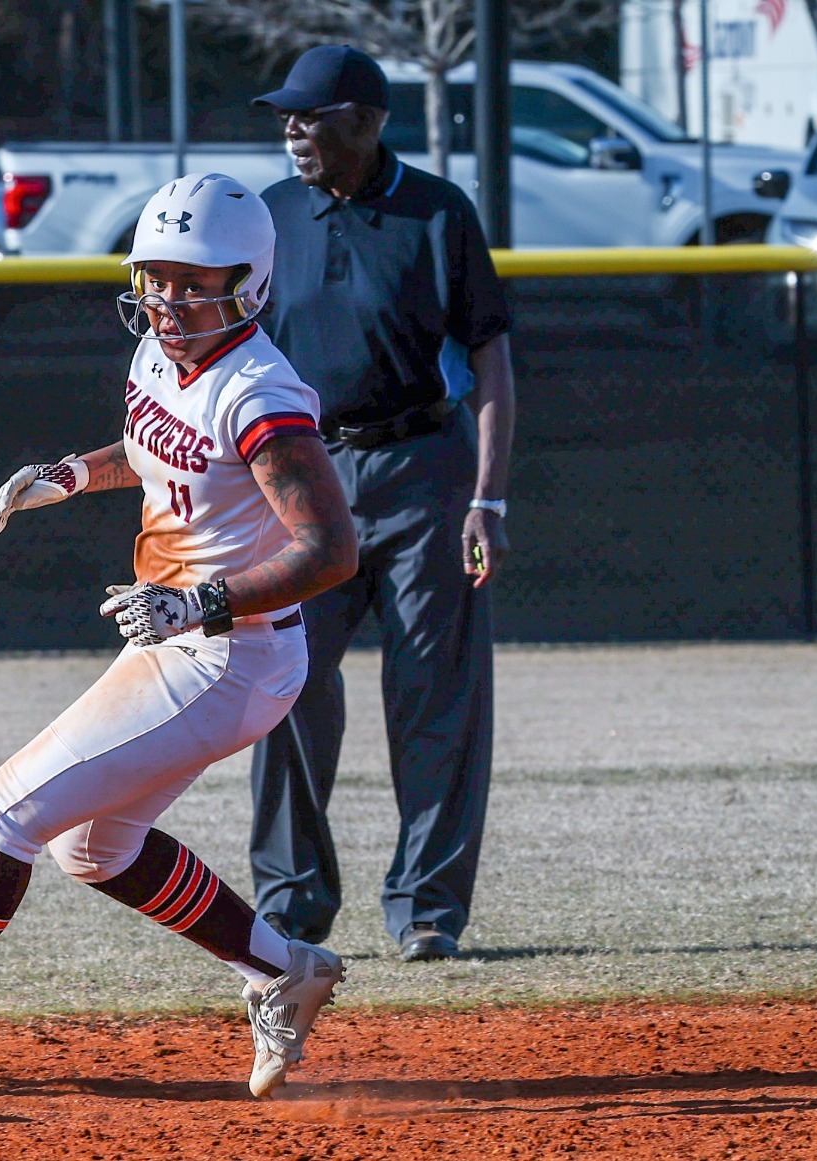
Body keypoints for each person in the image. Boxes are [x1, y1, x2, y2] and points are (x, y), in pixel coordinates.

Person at [0, 174, 358, 1098]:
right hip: (191, 640)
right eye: (156, 276)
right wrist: (72, 474)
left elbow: (331, 549)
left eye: (192, 280)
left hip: (231, 651)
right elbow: (162, 452)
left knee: (6, 810)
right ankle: (284, 968)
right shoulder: (165, 359)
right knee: (96, 850)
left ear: (251, 281)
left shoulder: (260, 391)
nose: (168, 298)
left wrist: (198, 603)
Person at [247, 45, 516, 964]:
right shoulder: (272, 216)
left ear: (365, 120)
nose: (292, 128)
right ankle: (289, 904)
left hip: (424, 473)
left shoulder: (437, 212)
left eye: (311, 113)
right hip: (304, 480)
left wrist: (490, 496)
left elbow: (490, 361)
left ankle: (428, 909)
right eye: (285, 113)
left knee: (436, 696)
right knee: (280, 686)